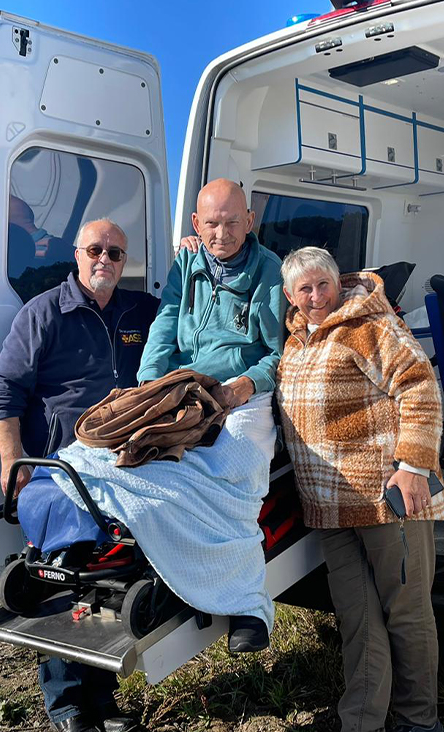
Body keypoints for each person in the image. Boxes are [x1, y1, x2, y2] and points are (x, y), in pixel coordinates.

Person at [0, 218, 158, 732]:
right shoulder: (43, 312)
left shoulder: (140, 310)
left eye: (116, 253)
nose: (104, 259)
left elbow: (188, 318)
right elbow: (5, 391)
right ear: (76, 255)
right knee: (66, 578)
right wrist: (12, 461)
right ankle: (67, 706)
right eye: (95, 250)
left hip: (121, 463)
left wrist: (196, 252)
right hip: (59, 465)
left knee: (112, 578)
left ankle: (102, 699)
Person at [275, 247, 444, 732]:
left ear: (338, 283)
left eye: (323, 284)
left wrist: (414, 464)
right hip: (330, 508)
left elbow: (420, 387)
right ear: (290, 296)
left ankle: (418, 720)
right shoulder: (295, 341)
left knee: (406, 615)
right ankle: (362, 720)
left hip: (387, 497)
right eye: (304, 289)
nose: (315, 296)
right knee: (358, 620)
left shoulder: (370, 325)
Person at [134, 177, 285, 649]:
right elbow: (166, 319)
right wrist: (147, 382)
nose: (222, 234)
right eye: (212, 224)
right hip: (186, 383)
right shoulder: (188, 262)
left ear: (250, 221)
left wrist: (249, 383)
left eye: (232, 222)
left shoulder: (269, 271)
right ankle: (170, 574)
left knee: (233, 465)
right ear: (197, 224)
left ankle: (248, 605)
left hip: (244, 389)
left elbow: (282, 352)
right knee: (137, 452)